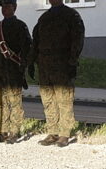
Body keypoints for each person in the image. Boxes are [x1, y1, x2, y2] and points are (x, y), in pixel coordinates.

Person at [29, 0, 84, 147]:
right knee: (48, 100)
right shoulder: (44, 18)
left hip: (62, 65)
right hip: (45, 66)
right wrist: (31, 61)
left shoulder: (71, 15)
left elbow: (77, 40)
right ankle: (52, 131)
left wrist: (72, 61)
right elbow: (36, 41)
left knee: (64, 99)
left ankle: (64, 134)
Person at [0, 0, 30, 144]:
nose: (5, 9)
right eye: (3, 6)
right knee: (1, 103)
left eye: (8, 6)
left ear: (14, 8)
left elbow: (27, 47)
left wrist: (24, 66)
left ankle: (14, 132)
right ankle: (2, 132)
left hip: (13, 71)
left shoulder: (20, 26)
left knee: (14, 103)